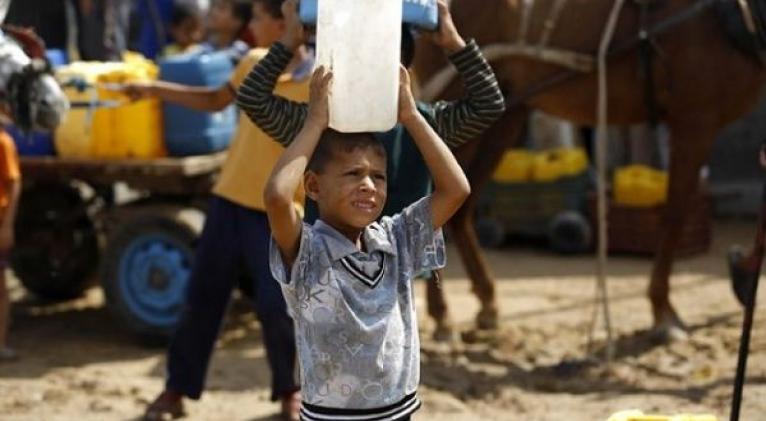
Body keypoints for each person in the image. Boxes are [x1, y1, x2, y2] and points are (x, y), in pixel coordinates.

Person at [237, 0, 504, 336]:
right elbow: (488, 104)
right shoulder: (423, 124)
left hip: (328, 270)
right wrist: (452, 41)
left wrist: (291, 40)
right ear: (406, 66)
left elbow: (252, 98)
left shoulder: (317, 124)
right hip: (396, 269)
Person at [117, 1, 308, 419]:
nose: (250, 26)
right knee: (201, 297)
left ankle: (291, 393)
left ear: (286, 23)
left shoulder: (319, 82)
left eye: (258, 18)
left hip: (281, 213)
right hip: (228, 202)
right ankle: (176, 391)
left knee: (279, 306)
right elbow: (213, 101)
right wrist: (154, 90)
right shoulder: (255, 63)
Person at [265, 64, 470, 420]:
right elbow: (278, 197)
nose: (369, 186)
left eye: (378, 176)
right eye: (353, 174)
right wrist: (315, 121)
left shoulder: (396, 239)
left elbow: (456, 189)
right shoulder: (309, 251)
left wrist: (412, 116)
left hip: (399, 412)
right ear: (313, 187)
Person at [0, 127, 21, 362]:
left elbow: (14, 184)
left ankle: (1, 343)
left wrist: (7, 225)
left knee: (1, 287)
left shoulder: (3, 142)